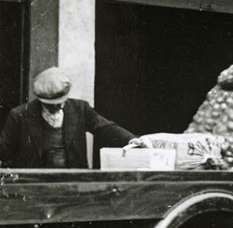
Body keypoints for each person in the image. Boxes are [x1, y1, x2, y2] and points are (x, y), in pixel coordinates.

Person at [0, 67, 138, 169]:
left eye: (59, 104)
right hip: (33, 183)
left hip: (73, 180)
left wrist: (132, 139)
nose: (55, 108)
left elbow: (105, 127)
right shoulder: (19, 115)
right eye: (49, 106)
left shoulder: (80, 108)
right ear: (40, 99)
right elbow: (5, 149)